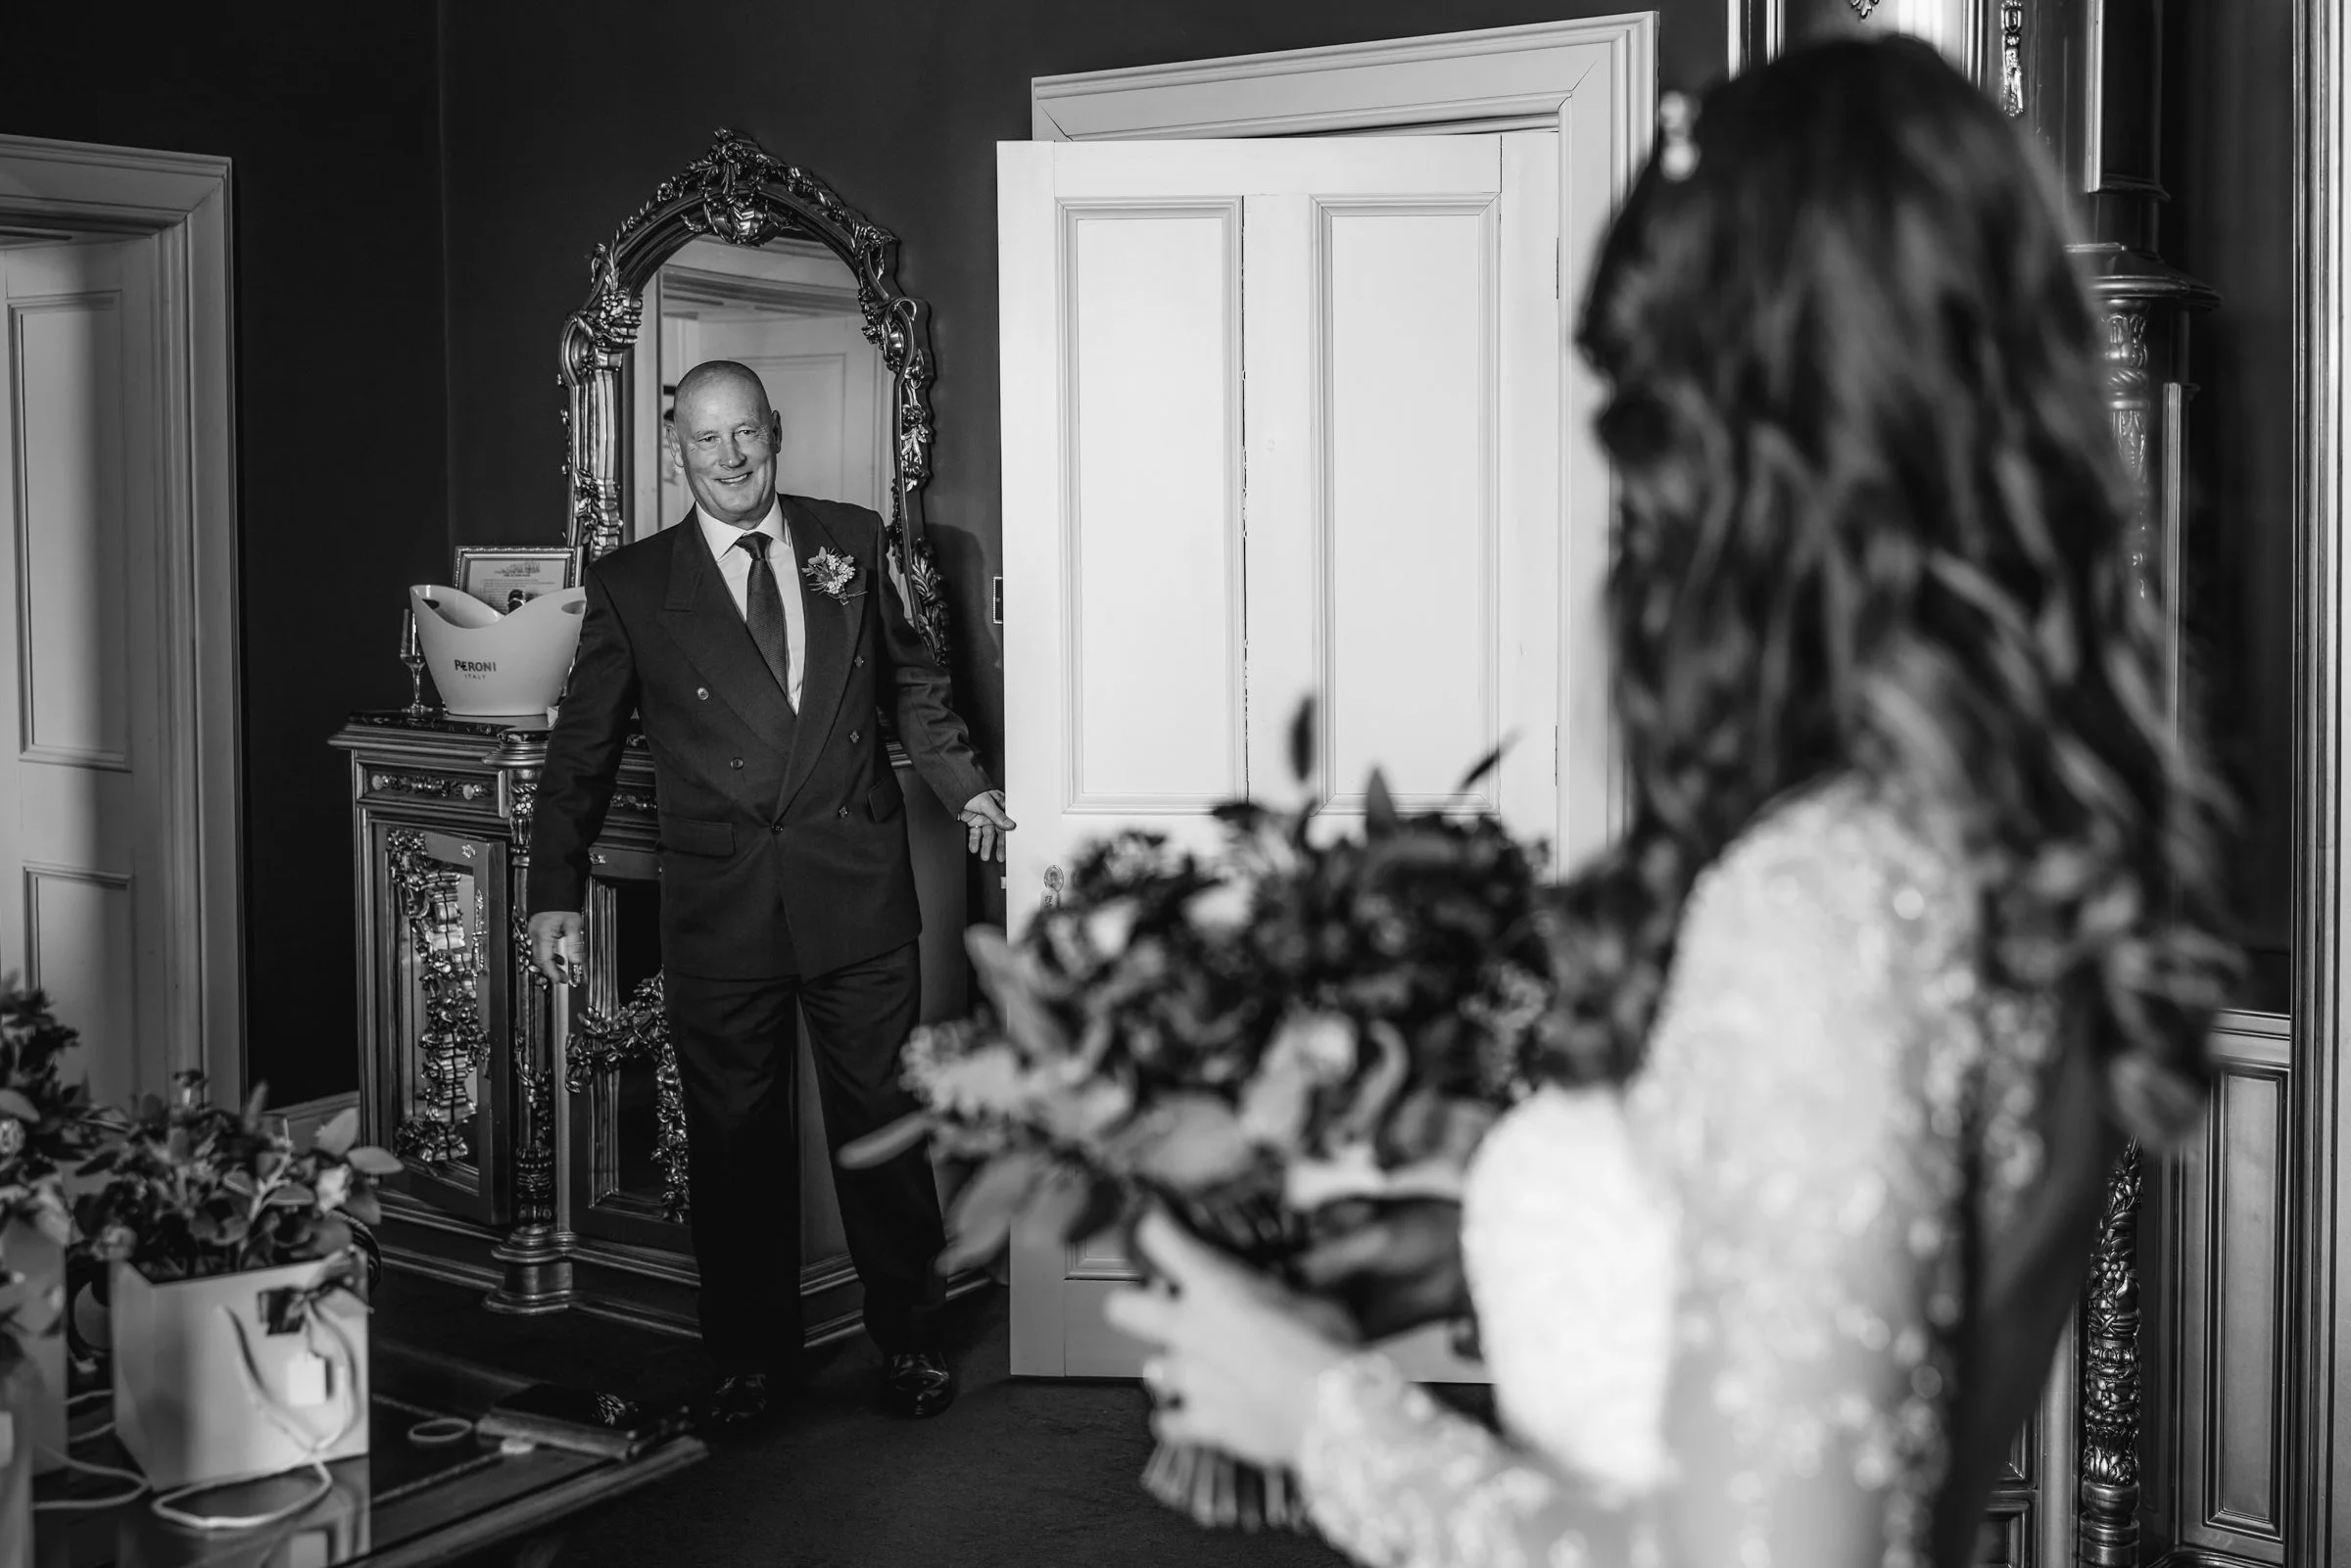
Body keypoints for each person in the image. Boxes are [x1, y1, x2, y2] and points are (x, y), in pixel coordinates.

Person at [1105, 37, 2240, 1568]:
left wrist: (1325, 1414)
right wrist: (1471, 1255)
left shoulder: (1823, 903)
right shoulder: (2021, 829)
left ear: (1766, 446)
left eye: (1653, 425)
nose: (1633, 504)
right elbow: (1840, 1312)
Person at [527, 359, 1015, 1430]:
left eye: (746, 433)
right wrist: (553, 890)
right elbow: (581, 751)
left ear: (775, 432)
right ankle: (749, 1356)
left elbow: (916, 686)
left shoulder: (851, 538)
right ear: (678, 453)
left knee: (881, 1126)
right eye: (708, 440)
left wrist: (966, 787)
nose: (732, 457)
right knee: (735, 1146)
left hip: (854, 888)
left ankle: (913, 1335)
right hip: (725, 901)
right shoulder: (631, 584)